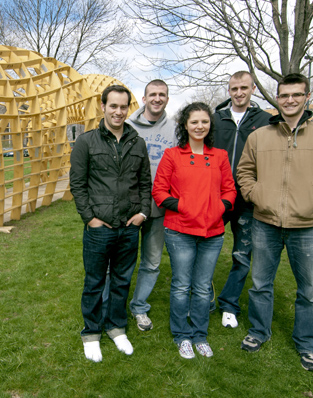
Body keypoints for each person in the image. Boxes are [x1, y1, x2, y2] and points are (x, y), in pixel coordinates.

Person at [236, 73, 313, 371]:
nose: (290, 100)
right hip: (265, 222)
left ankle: (308, 344)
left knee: (309, 291)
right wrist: (255, 194)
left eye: (296, 95)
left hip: (309, 226)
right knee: (261, 284)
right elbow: (244, 172)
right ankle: (259, 331)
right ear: (277, 98)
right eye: (284, 95)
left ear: (306, 97)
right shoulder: (260, 136)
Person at [69, 85, 152, 362]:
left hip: (129, 228)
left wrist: (142, 213)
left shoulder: (137, 142)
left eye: (123, 106)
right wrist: (90, 218)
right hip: (99, 229)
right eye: (113, 106)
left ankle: (116, 327)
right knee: (94, 282)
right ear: (102, 106)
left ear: (129, 108)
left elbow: (144, 183)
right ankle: (91, 332)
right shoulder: (86, 142)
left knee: (121, 280)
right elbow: (78, 184)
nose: (118, 111)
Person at [152, 102, 236, 359]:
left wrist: (218, 208)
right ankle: (181, 335)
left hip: (212, 232)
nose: (200, 126)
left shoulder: (219, 156)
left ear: (210, 125)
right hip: (180, 231)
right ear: (185, 125)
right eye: (194, 122)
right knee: (181, 285)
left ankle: (200, 334)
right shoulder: (172, 155)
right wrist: (184, 207)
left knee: (201, 287)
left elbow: (230, 189)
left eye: (204, 122)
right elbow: (159, 191)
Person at [212, 71, 271, 328]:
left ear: (253, 89)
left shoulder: (266, 121)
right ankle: (204, 295)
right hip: (216, 196)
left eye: (244, 88)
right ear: (229, 90)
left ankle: (229, 304)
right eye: (234, 88)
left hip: (247, 199)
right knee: (205, 250)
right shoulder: (215, 119)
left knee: (242, 254)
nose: (239, 93)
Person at [125, 79, 177, 331]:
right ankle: (112, 305)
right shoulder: (126, 127)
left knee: (152, 261)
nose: (157, 98)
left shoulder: (177, 130)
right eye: (152, 94)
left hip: (161, 208)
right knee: (121, 260)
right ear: (144, 98)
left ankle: (139, 307)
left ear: (167, 98)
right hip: (129, 206)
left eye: (162, 94)